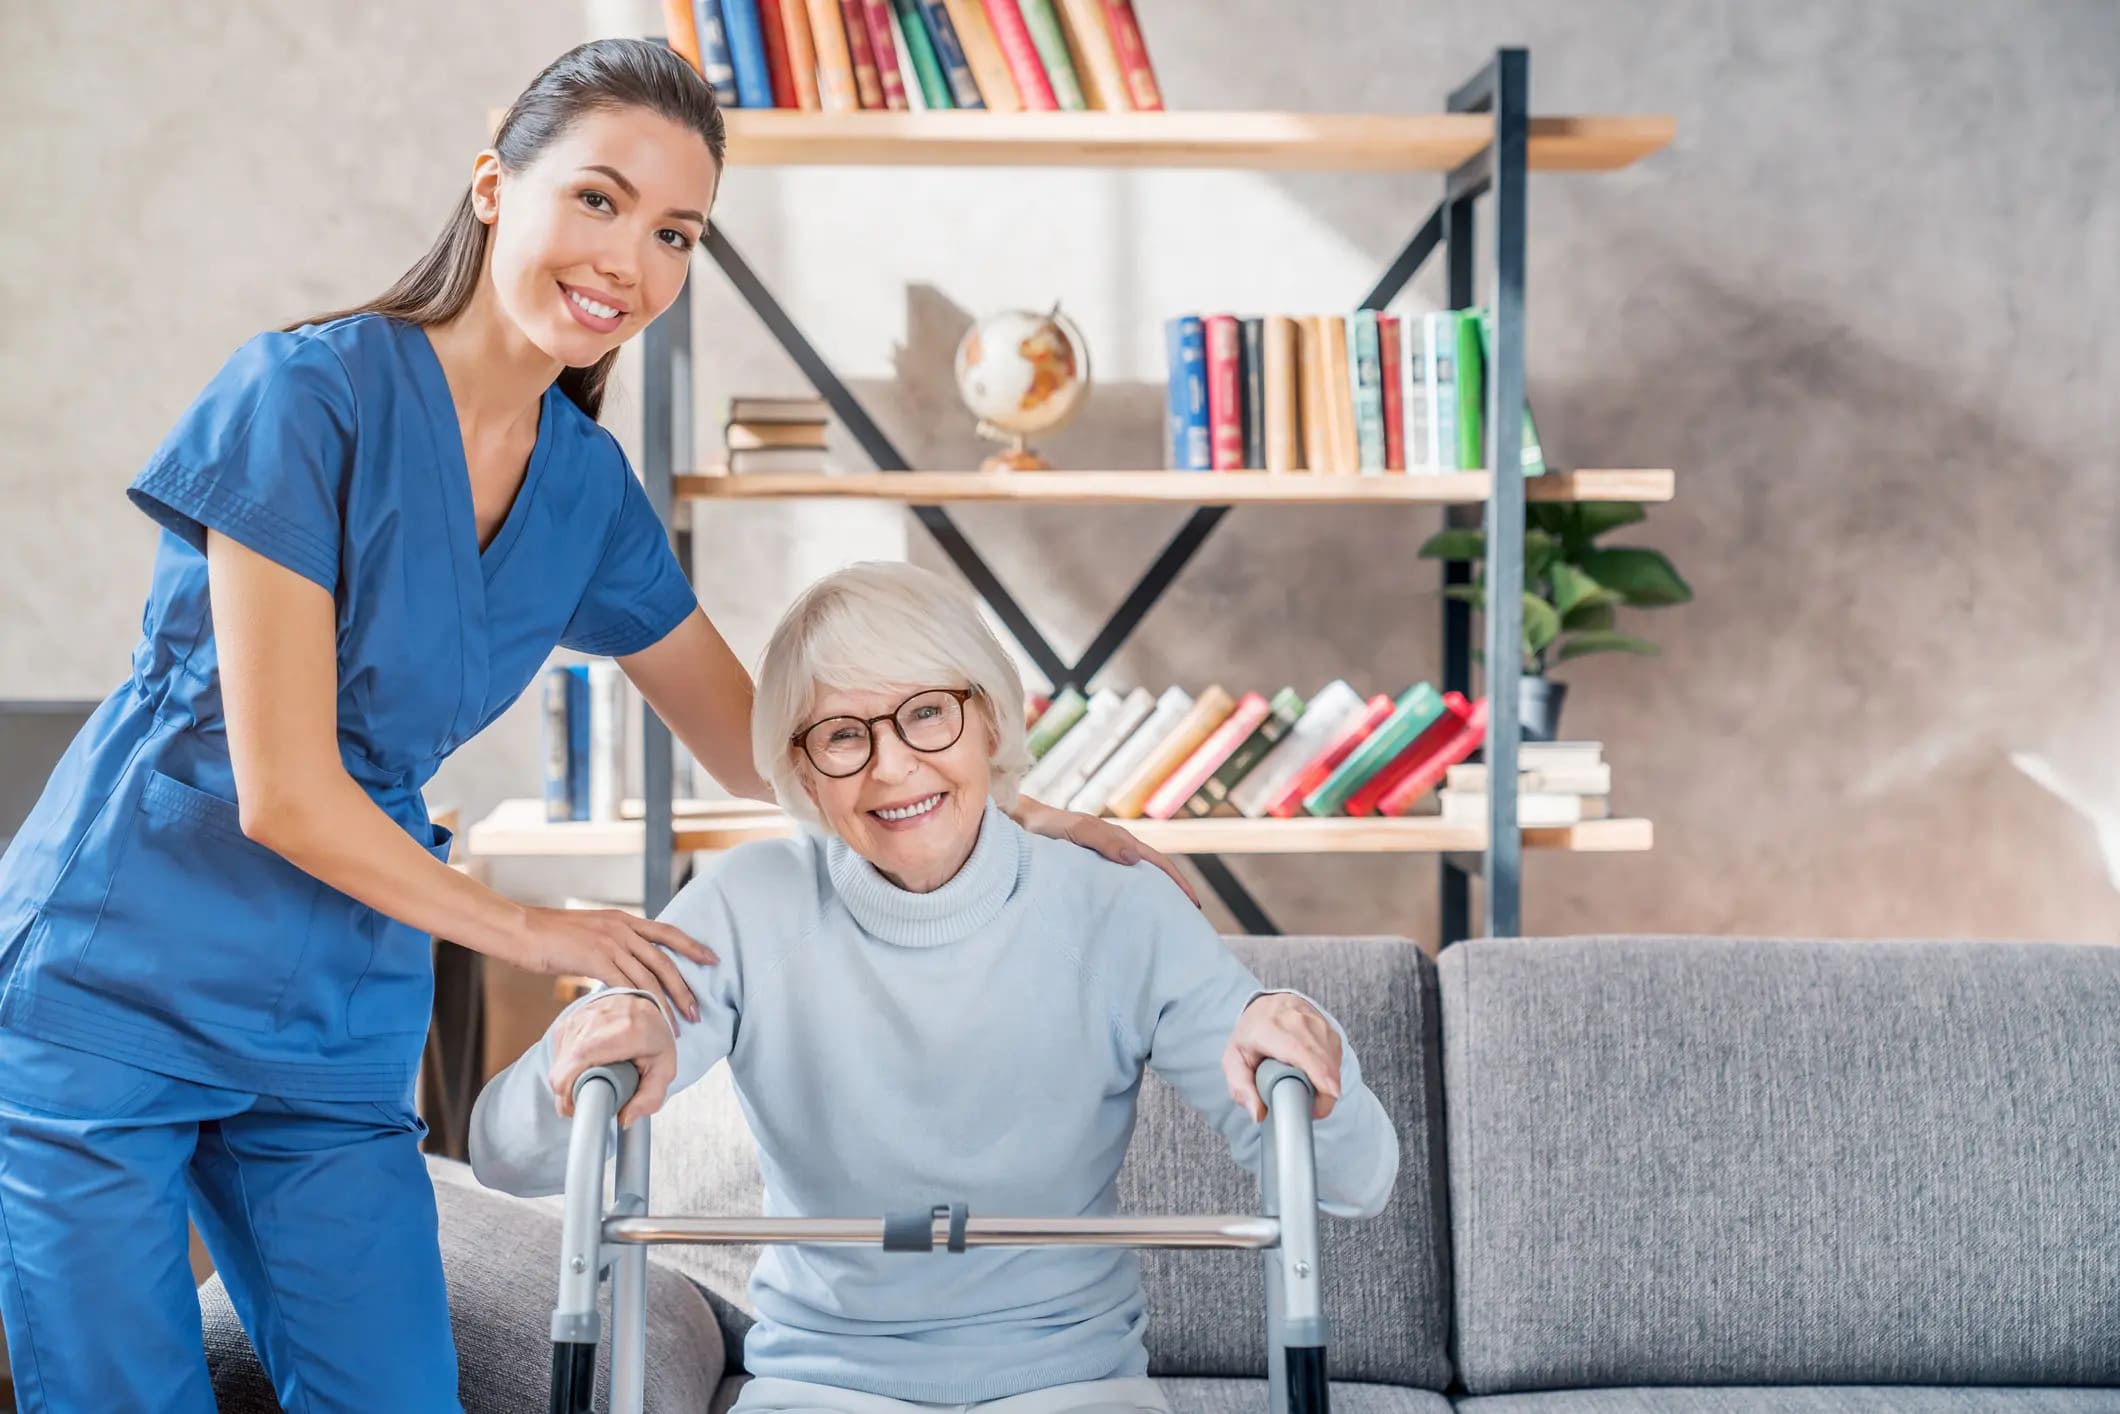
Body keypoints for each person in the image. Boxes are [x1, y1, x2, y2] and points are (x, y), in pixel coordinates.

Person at [0, 41, 1185, 1414]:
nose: (632, 258)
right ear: (496, 179)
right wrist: (537, 931)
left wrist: (998, 806)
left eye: (676, 231)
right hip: (117, 973)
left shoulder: (586, 487)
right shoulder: (301, 397)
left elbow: (757, 737)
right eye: (602, 200)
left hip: (327, 1011)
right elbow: (281, 789)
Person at [470, 562, 1400, 1414]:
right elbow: (507, 1158)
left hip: (1071, 1386)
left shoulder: (1120, 910)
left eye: (925, 714)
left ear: (988, 717)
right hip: (820, 1387)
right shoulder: (747, 905)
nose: (891, 766)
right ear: (800, 770)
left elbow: (1358, 1180)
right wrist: (589, 1038)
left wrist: (1303, 1053)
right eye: (841, 735)